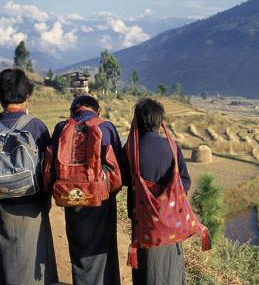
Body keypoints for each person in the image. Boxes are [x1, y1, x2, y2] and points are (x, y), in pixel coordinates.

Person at [50, 95, 127, 285]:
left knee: (78, 244)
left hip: (71, 197)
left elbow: (51, 165)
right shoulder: (106, 127)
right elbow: (119, 167)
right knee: (104, 245)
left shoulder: (61, 128)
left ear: (73, 111)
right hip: (101, 198)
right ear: (97, 111)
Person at [0, 68, 58, 285]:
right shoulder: (36, 126)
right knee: (31, 256)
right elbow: (48, 169)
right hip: (30, 205)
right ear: (27, 96)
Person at [127, 98, 192, 285]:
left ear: (137, 120)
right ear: (159, 121)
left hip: (142, 220)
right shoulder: (172, 147)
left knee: (147, 265)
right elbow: (185, 181)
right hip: (170, 220)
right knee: (170, 263)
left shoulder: (132, 149)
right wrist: (167, 203)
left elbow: (124, 179)